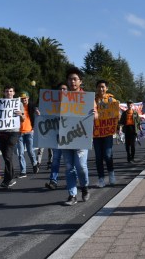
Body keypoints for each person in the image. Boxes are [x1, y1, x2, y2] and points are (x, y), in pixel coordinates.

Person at [62, 67, 96, 205]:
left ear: (80, 81)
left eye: (75, 79)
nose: (72, 82)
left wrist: (95, 113)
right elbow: (51, 114)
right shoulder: (61, 98)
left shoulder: (87, 98)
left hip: (81, 136)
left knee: (81, 166)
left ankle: (85, 187)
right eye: (70, 79)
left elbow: (97, 115)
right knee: (69, 167)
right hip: (65, 137)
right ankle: (72, 195)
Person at [0, 85, 25, 189]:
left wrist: (20, 114)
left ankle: (7, 179)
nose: (9, 93)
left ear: (14, 93)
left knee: (8, 155)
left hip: (14, 132)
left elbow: (23, 119)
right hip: (2, 132)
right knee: (6, 156)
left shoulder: (19, 104)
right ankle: (11, 177)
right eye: (7, 91)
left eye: (11, 91)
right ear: (4, 93)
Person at [93, 79, 118, 188]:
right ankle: (101, 179)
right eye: (99, 87)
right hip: (96, 133)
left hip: (107, 132)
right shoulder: (92, 100)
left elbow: (117, 114)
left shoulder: (112, 100)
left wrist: (118, 115)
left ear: (106, 88)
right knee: (98, 157)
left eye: (103, 87)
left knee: (108, 155)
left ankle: (111, 174)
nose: (101, 89)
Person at [45, 83, 66, 190]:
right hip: (57, 135)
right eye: (60, 89)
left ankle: (73, 178)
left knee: (70, 161)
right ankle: (53, 181)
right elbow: (46, 117)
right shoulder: (52, 104)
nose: (62, 91)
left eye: (64, 89)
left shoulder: (76, 104)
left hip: (71, 136)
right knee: (55, 159)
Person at [16, 91, 40, 178]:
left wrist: (37, 111)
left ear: (28, 98)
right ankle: (23, 171)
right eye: (22, 98)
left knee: (30, 151)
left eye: (25, 98)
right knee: (20, 153)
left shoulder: (31, 105)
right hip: (19, 133)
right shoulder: (17, 107)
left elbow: (35, 109)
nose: (24, 100)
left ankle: (34, 164)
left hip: (29, 132)